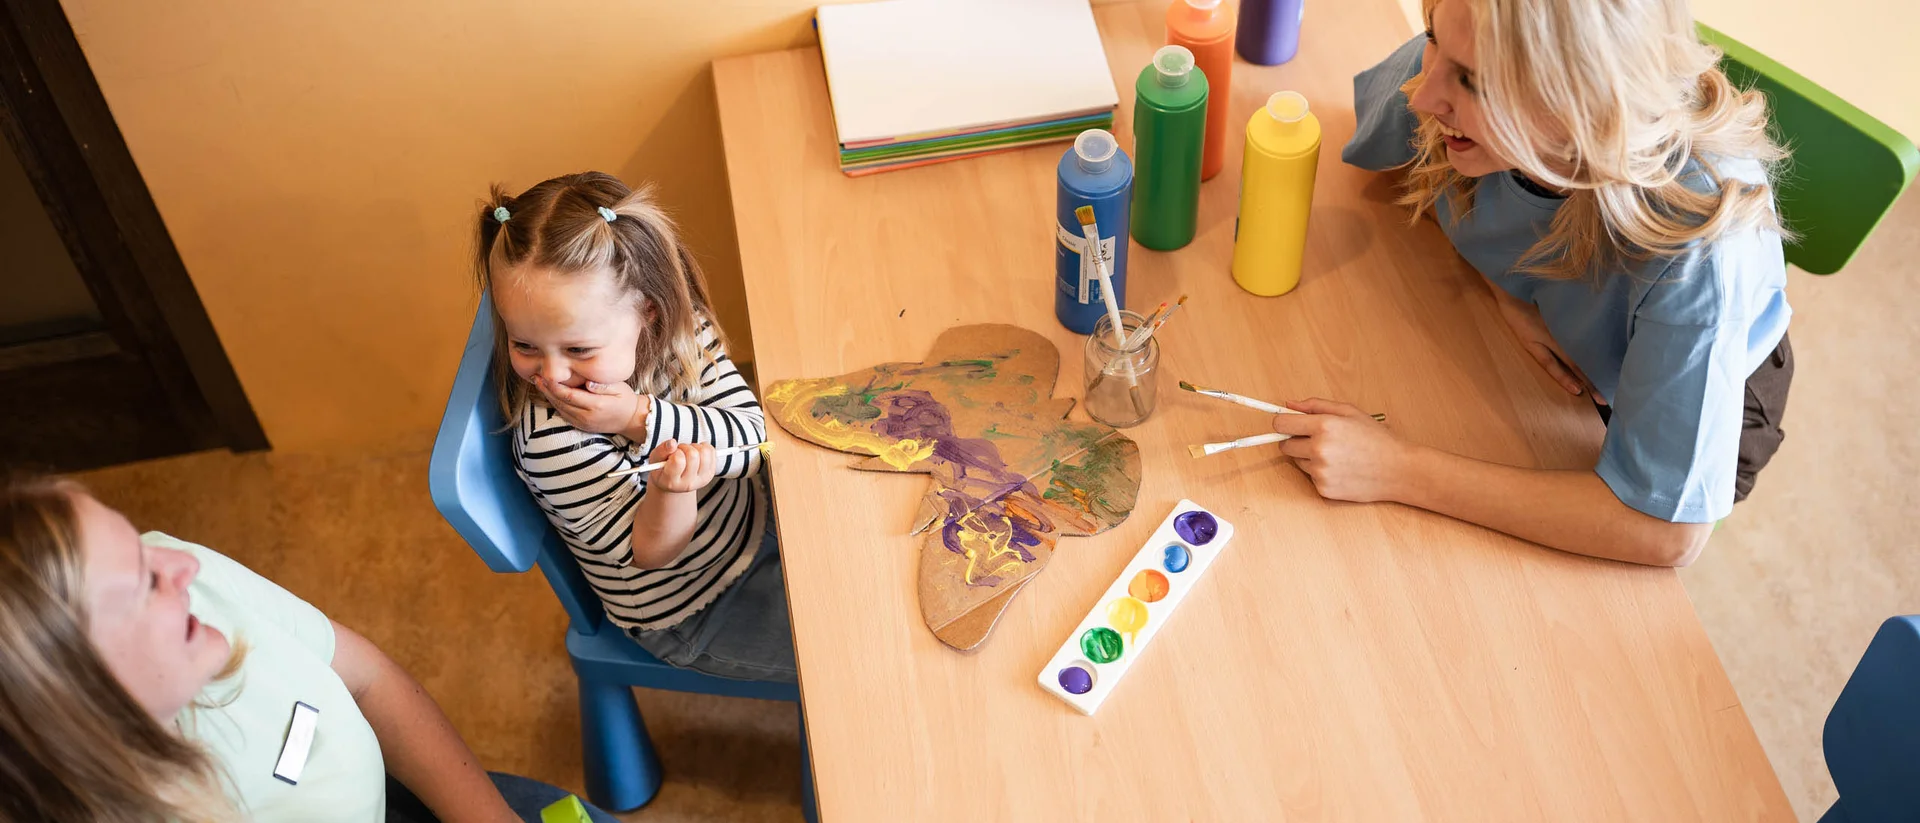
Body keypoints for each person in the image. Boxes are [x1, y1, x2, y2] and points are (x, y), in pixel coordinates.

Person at [1273, 0, 1792, 566]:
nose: (1424, 95)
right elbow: (1389, 139)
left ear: (1584, 106)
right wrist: (1506, 287)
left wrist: (1399, 470)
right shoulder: (1466, 47)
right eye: (1432, 39)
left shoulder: (1701, 253)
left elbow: (1664, 532)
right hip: (1559, 343)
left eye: (1475, 83)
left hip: (1698, 382)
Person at [0, 474, 618, 821]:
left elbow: (369, 680)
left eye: (137, 539)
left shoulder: (199, 591)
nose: (181, 564)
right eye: (143, 580)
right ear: (76, 691)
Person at [476, 172, 794, 683]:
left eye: (579, 349)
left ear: (647, 311)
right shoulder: (550, 441)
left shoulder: (680, 333)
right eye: (524, 345)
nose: (552, 375)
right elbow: (651, 554)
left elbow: (758, 442)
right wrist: (671, 493)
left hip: (757, 523)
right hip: (692, 610)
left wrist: (635, 418)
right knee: (855, 651)